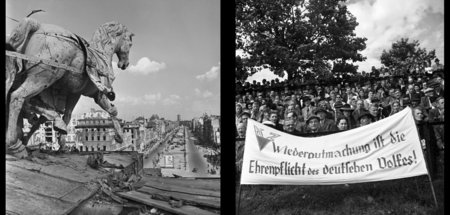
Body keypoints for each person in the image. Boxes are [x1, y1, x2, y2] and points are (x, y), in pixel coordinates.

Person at [413, 107, 439, 180]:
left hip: (427, 147)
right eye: (417, 113)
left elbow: (433, 135)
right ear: (413, 115)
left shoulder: (426, 125)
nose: (420, 115)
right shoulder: (411, 126)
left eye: (421, 113)